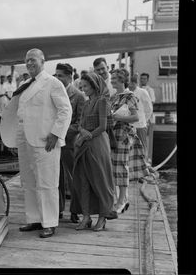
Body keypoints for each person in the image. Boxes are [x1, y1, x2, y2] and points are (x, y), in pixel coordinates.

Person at [7, 48, 72, 238]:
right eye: (27, 60)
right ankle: (34, 218)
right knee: (29, 182)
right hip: (25, 140)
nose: (29, 63)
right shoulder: (26, 84)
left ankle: (49, 222)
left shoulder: (52, 83)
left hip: (45, 140)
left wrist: (56, 133)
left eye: (33, 60)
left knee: (47, 182)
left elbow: (65, 110)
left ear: (43, 61)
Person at [72, 72, 117, 231]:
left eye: (86, 86)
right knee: (83, 180)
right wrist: (82, 131)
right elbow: (80, 123)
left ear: (94, 85)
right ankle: (85, 217)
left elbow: (103, 127)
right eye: (81, 87)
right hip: (83, 144)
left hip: (97, 144)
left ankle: (103, 217)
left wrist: (88, 134)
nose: (83, 89)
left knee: (100, 180)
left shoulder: (102, 101)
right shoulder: (86, 103)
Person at [110, 69, 150, 213]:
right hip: (113, 135)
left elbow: (135, 118)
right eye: (112, 78)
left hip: (124, 136)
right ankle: (120, 199)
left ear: (122, 79)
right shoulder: (114, 96)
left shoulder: (129, 96)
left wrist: (118, 117)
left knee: (121, 167)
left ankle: (122, 200)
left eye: (114, 78)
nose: (112, 80)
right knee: (114, 167)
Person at [54, 63, 85, 223]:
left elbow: (80, 123)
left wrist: (60, 131)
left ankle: (75, 211)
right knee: (56, 177)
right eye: (56, 75)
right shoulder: (52, 92)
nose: (57, 78)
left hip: (70, 143)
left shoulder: (78, 96)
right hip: (54, 143)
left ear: (69, 77)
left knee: (73, 178)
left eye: (60, 75)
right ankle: (57, 210)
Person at [128, 74, 153, 158]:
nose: (130, 85)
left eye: (132, 83)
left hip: (141, 125)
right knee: (131, 147)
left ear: (136, 83)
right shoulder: (126, 92)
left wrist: (144, 120)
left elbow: (149, 108)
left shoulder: (143, 92)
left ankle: (144, 164)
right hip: (130, 125)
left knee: (142, 146)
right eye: (129, 83)